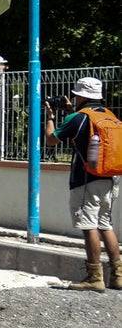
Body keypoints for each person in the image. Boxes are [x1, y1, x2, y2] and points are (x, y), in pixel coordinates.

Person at [45, 76, 121, 292]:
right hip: (110, 178)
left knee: (89, 226)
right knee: (106, 225)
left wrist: (50, 117)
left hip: (86, 179)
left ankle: (94, 277)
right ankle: (118, 276)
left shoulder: (77, 118)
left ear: (81, 95)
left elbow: (52, 139)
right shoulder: (108, 115)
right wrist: (71, 110)